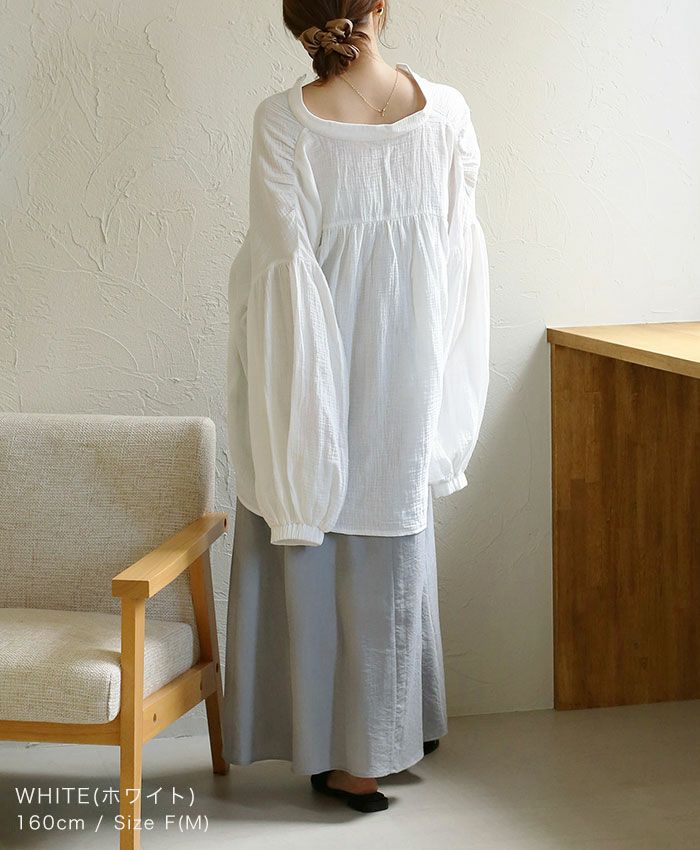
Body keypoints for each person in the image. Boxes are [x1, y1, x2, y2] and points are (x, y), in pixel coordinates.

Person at [223, 0, 490, 814]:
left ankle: (341, 753)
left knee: (312, 531)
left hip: (313, 374)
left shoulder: (283, 122)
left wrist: (298, 403)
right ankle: (381, 742)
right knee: (390, 549)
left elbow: (280, 272)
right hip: (407, 375)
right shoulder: (447, 113)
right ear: (379, 8)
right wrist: (439, 392)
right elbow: (459, 266)